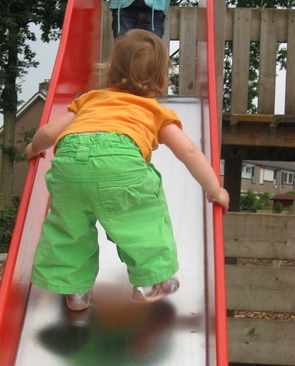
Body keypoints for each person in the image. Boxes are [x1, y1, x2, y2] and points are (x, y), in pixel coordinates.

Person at [26, 29, 229, 311]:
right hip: (119, 164)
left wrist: (32, 150)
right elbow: (189, 152)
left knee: (69, 230)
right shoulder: (153, 111)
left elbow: (48, 133)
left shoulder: (88, 100)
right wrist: (214, 190)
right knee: (142, 221)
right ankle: (152, 281)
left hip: (68, 165)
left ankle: (75, 292)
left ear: (109, 73)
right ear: (162, 81)